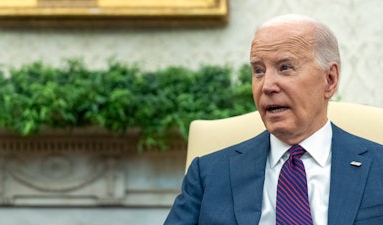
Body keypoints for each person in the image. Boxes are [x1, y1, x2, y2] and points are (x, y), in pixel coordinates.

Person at [164, 14, 383, 225]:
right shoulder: (208, 174)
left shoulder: (378, 168)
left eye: (285, 67)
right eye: (258, 71)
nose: (267, 85)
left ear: (329, 79)